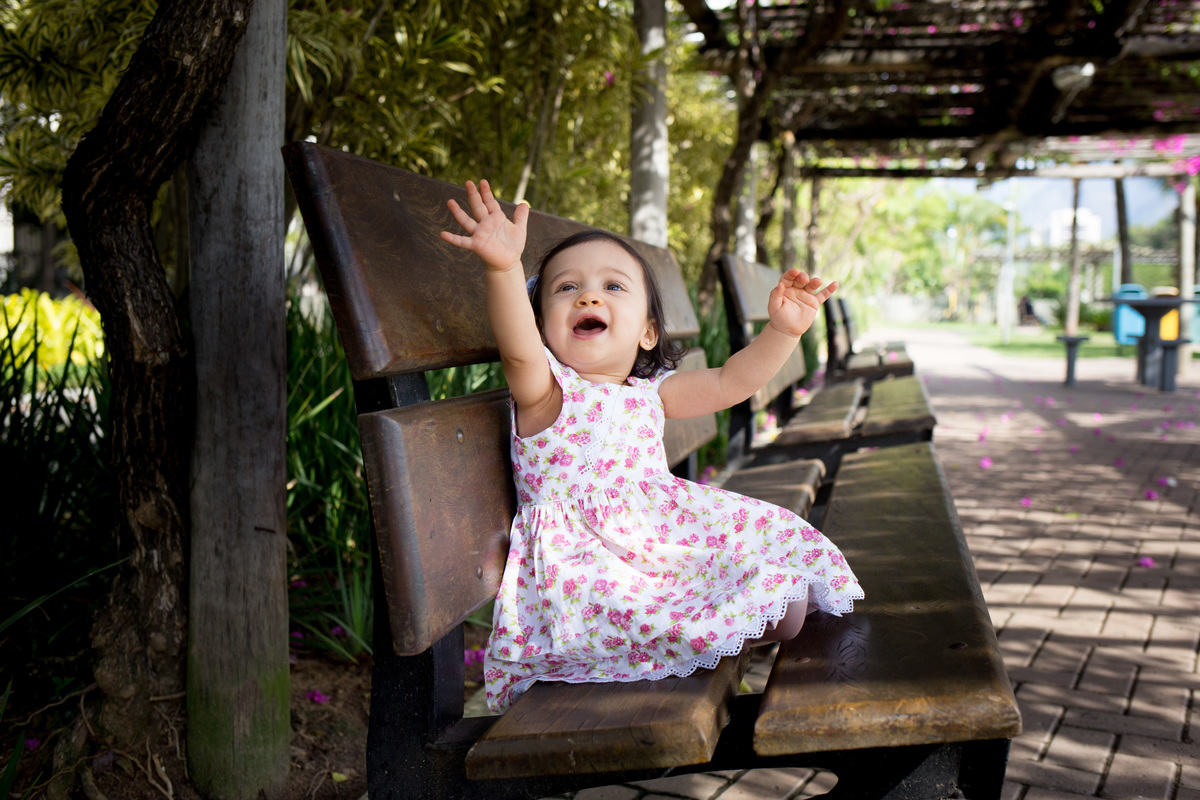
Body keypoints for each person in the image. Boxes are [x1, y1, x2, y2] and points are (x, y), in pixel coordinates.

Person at [441, 179, 863, 713]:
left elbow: (731, 382)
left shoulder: (650, 394)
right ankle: (687, 638)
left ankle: (716, 624)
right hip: (592, 572)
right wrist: (503, 268)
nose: (588, 296)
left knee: (790, 585)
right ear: (542, 328)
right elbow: (519, 351)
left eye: (613, 287)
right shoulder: (546, 393)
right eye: (565, 289)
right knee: (787, 608)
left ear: (647, 331)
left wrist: (783, 331)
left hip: (655, 544)